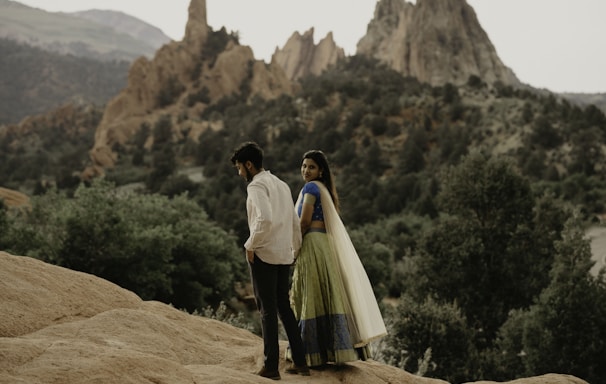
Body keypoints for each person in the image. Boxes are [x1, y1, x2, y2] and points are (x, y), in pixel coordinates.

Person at [290, 149, 387, 368]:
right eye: (304, 166)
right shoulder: (325, 190)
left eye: (311, 167)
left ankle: (310, 355)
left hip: (312, 244)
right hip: (324, 245)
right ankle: (334, 350)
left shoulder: (311, 188)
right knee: (328, 293)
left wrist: (294, 249)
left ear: (321, 170)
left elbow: (304, 223)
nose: (306, 170)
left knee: (311, 296)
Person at [230, 141, 310, 380]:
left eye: (239, 168)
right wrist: (294, 249)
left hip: (264, 252)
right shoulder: (282, 184)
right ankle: (301, 362)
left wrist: (250, 245)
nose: (239, 172)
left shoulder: (256, 186)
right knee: (284, 308)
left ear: (249, 164)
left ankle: (271, 367)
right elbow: (294, 221)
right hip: (283, 252)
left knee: (267, 311)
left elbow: (264, 220)